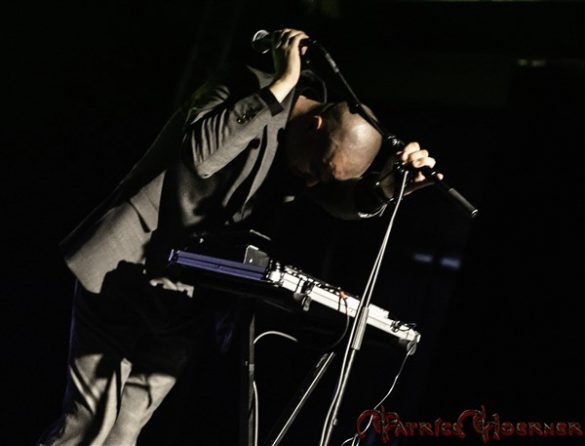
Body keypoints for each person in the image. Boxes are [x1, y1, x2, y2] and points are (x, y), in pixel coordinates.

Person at [37, 28, 439, 445]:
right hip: (126, 268)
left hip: (187, 296)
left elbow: (338, 198)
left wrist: (387, 190)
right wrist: (280, 87)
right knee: (90, 424)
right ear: (314, 126)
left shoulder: (308, 149)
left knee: (125, 432)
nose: (313, 185)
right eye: (319, 170)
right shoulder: (241, 86)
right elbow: (200, 156)